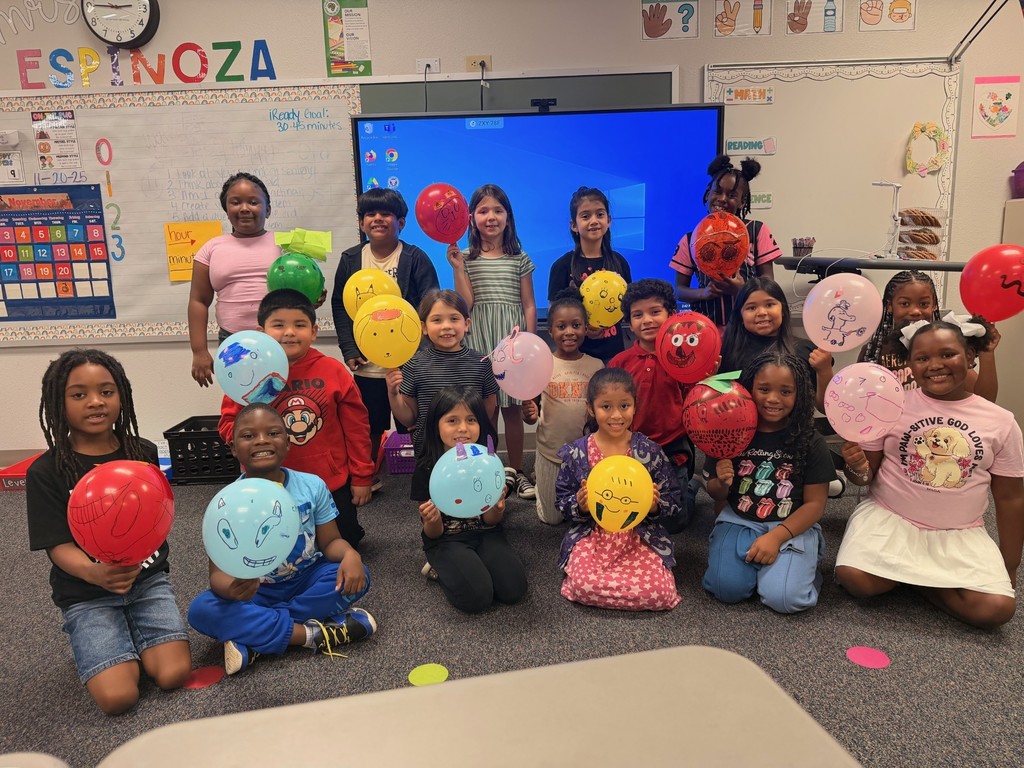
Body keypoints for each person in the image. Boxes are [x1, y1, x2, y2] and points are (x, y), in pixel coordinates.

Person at [26, 349, 191, 714]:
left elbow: (156, 516)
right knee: (119, 698)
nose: (95, 402)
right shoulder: (47, 471)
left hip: (148, 582)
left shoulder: (142, 453)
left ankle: (130, 636)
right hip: (86, 594)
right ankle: (87, 632)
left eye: (106, 391)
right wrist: (94, 572)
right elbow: (56, 545)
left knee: (173, 674)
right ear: (58, 401)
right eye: (79, 394)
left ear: (122, 395)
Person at [835, 320, 1024, 629]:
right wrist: (855, 466)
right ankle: (926, 580)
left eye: (948, 354)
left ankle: (916, 582)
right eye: (922, 358)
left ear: (970, 356)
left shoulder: (1001, 422)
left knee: (997, 610)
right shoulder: (890, 407)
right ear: (910, 365)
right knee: (855, 579)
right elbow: (863, 479)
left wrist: (1010, 565)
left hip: (958, 532)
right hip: (891, 517)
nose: (935, 365)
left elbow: (1010, 497)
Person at [190, 404, 376, 675]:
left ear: (288, 443)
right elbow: (217, 576)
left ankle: (256, 638)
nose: (262, 440)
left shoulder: (312, 485)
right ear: (233, 448)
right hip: (257, 592)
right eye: (249, 435)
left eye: (273, 432)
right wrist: (232, 590)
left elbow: (331, 542)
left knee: (357, 576)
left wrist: (351, 555)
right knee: (201, 609)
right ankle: (311, 635)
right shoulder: (226, 503)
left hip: (307, 579)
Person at [218, 289, 374, 549]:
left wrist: (361, 477)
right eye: (278, 325)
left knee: (343, 546)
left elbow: (357, 428)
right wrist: (250, 443)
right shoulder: (246, 373)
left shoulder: (333, 370)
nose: (289, 332)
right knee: (274, 550)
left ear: (313, 331)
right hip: (268, 484)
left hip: (330, 484)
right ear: (261, 330)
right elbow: (228, 423)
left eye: (299, 325)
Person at [703, 350, 836, 614]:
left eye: (786, 392)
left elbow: (814, 505)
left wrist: (776, 537)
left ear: (799, 396)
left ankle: (801, 566)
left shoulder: (810, 440)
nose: (773, 399)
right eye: (763, 389)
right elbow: (715, 494)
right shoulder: (729, 430)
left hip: (789, 526)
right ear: (748, 388)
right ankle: (758, 570)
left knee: (786, 600)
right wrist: (722, 481)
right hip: (739, 520)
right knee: (725, 590)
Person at [331, 188, 440, 486]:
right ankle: (369, 475)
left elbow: (429, 305)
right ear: (361, 222)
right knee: (369, 421)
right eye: (370, 214)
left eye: (386, 213)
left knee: (414, 419)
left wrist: (419, 353)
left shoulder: (415, 258)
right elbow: (341, 305)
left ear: (401, 222)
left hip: (409, 360)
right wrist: (349, 347)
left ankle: (424, 475)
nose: (378, 219)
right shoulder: (352, 258)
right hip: (367, 362)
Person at [555, 368, 682, 611]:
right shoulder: (576, 453)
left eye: (624, 406)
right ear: (591, 408)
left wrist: (655, 506)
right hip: (594, 535)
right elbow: (561, 500)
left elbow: (674, 500)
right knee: (583, 585)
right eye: (606, 407)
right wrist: (579, 504)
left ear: (635, 406)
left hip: (639, 535)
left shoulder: (649, 451)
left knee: (660, 593)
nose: (616, 415)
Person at [447, 184, 537, 499]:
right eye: (483, 211)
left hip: (511, 341)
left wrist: (529, 345)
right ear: (471, 218)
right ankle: (485, 470)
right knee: (485, 411)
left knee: (512, 410)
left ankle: (518, 471)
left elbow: (528, 303)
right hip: (479, 341)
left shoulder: (519, 258)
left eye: (498, 210)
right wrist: (458, 268)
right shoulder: (467, 258)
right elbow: (466, 303)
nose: (491, 217)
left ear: (508, 218)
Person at [387, 289, 501, 512]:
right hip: (430, 450)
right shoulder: (414, 364)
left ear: (466, 324)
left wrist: (477, 431)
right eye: (437, 320)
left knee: (474, 498)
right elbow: (409, 416)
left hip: (473, 448)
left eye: (454, 318)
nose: (446, 326)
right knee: (434, 509)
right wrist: (393, 394)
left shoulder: (481, 362)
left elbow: (488, 406)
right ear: (423, 327)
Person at [416, 387, 528, 613]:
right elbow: (433, 533)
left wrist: (497, 508)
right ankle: (438, 566)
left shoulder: (487, 463)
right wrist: (432, 519)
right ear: (436, 425)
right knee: (477, 599)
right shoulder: (428, 468)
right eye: (452, 420)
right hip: (446, 539)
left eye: (471, 420)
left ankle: (471, 563)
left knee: (514, 591)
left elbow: (491, 521)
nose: (463, 429)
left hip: (486, 533)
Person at [609, 278, 695, 531]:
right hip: (630, 448)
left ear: (672, 314)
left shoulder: (684, 359)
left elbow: (693, 402)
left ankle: (690, 489)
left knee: (674, 524)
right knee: (629, 517)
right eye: (638, 315)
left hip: (672, 448)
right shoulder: (619, 363)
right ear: (630, 323)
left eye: (655, 312)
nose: (646, 320)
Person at [188, 172, 281, 387]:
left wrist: (314, 298)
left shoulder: (284, 244)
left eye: (254, 202)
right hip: (232, 342)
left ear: (268, 209)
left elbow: (302, 290)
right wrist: (199, 351)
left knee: (286, 402)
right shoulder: (211, 249)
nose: (245, 208)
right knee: (243, 406)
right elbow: (198, 301)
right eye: (236, 202)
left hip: (279, 339)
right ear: (227, 210)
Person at [670, 155, 782, 327]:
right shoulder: (690, 239)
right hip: (706, 327)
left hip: (748, 328)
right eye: (717, 191)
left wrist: (744, 289)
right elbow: (679, 291)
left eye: (731, 195)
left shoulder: (757, 231)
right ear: (708, 194)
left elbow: (769, 282)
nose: (722, 199)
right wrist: (704, 293)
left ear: (742, 202)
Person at [522, 290, 604, 524]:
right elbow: (530, 416)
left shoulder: (596, 365)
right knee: (552, 519)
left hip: (585, 456)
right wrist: (528, 415)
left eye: (576, 325)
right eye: (561, 326)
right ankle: (542, 483)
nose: (569, 332)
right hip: (550, 453)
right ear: (550, 331)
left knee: (586, 514)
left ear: (586, 329)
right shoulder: (542, 363)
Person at [856, 270, 999, 401]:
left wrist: (987, 353)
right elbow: (859, 397)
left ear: (934, 305)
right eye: (905, 304)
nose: (915, 311)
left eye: (924, 304)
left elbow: (984, 401)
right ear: (889, 306)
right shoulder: (874, 350)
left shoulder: (947, 347)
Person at [547, 186, 633, 363]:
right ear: (574, 225)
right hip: (575, 356)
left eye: (600, 214)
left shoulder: (620, 263)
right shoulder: (561, 266)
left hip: (613, 354)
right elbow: (553, 315)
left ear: (608, 220)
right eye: (585, 216)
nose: (594, 221)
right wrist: (584, 328)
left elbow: (629, 308)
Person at [719, 277, 831, 411]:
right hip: (745, 430)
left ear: (783, 310)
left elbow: (825, 408)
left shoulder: (804, 350)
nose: (761, 313)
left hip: (794, 431)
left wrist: (824, 370)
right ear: (740, 316)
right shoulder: (730, 352)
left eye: (769, 304)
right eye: (751, 307)